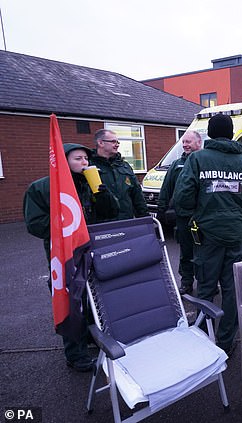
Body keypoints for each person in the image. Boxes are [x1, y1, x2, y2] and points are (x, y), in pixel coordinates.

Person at [23, 143, 119, 372]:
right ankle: (75, 354)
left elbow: (111, 212)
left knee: (92, 298)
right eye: (78, 159)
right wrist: (69, 229)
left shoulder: (90, 183)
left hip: (91, 251)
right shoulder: (42, 188)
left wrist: (102, 193)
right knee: (70, 301)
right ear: (64, 162)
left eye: (86, 159)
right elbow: (35, 224)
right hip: (64, 256)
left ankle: (90, 337)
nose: (85, 163)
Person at [174, 114, 242, 355]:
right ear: (232, 132)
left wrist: (195, 214)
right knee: (232, 289)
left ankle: (203, 335)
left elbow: (183, 197)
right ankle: (225, 341)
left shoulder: (198, 159)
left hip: (207, 234)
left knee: (206, 285)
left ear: (210, 134)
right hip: (236, 233)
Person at [157, 130, 203, 295]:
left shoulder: (205, 163)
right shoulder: (177, 164)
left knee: (204, 251)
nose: (185, 145)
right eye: (183, 142)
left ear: (199, 143)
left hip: (203, 217)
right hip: (184, 217)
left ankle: (206, 282)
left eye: (188, 142)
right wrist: (161, 210)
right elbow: (166, 189)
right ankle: (186, 282)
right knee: (186, 251)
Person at [90, 129, 148, 220]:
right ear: (100, 143)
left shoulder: (124, 166)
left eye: (117, 142)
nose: (117, 145)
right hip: (102, 225)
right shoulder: (89, 166)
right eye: (113, 141)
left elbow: (137, 195)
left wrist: (145, 219)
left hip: (126, 222)